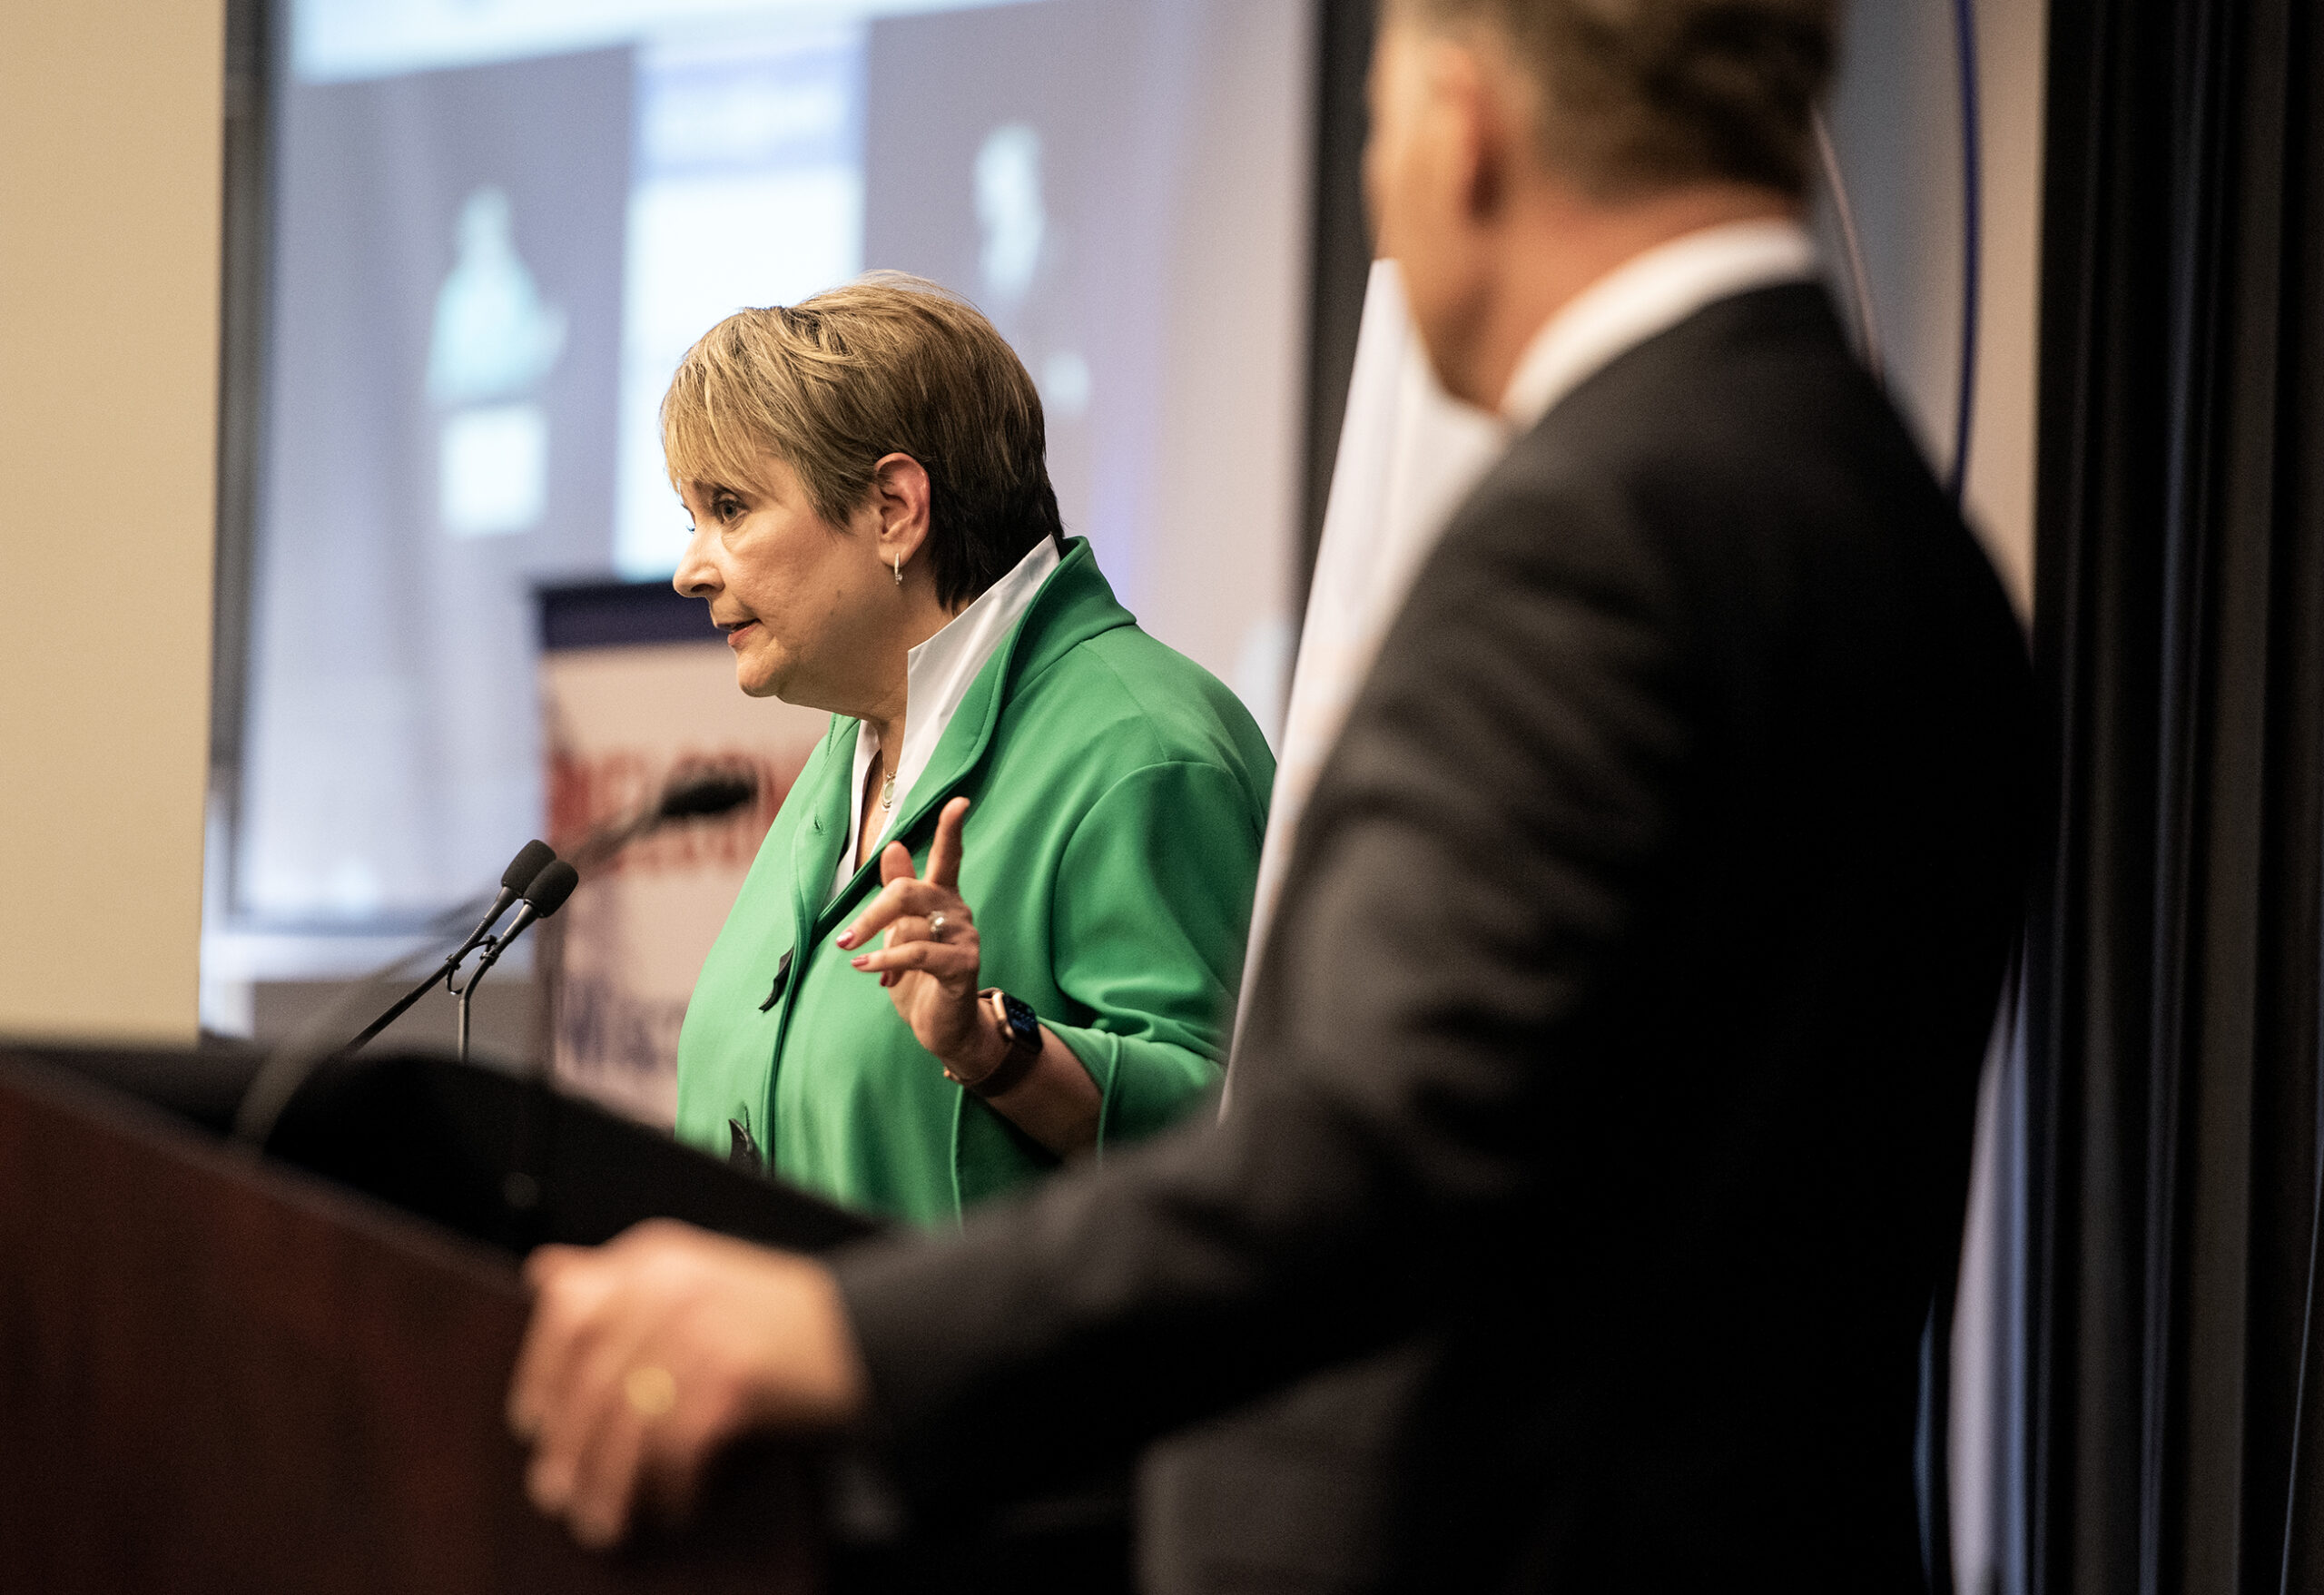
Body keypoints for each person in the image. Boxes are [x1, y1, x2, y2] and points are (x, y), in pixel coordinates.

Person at [507, 2, 2038, 1590]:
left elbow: (1358, 1159)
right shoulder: (1903, 536)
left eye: (1370, 124)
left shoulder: (1596, 545)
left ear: (1465, 120)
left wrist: (839, 1332)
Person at [661, 276, 1274, 1225]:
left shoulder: (1146, 749)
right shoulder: (859, 743)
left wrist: (995, 1047)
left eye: (731, 509)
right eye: (691, 519)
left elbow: (1245, 1142)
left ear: (895, 509)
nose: (690, 568)